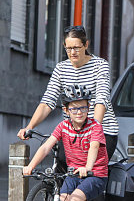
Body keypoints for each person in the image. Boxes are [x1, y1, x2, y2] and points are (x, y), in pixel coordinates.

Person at [23, 84, 113, 201]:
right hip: (73, 175)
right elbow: (45, 147)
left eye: (83, 107)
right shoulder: (63, 126)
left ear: (88, 108)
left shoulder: (95, 127)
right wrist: (30, 165)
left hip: (95, 175)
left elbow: (94, 147)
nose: (79, 112)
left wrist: (88, 167)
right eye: (74, 108)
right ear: (66, 110)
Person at [17, 25, 119, 161]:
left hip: (102, 131)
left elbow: (101, 99)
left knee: (89, 174)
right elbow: (48, 101)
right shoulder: (61, 69)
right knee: (61, 171)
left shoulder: (100, 66)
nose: (73, 52)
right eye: (69, 48)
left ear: (86, 45)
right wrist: (29, 126)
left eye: (77, 47)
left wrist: (94, 128)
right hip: (72, 132)